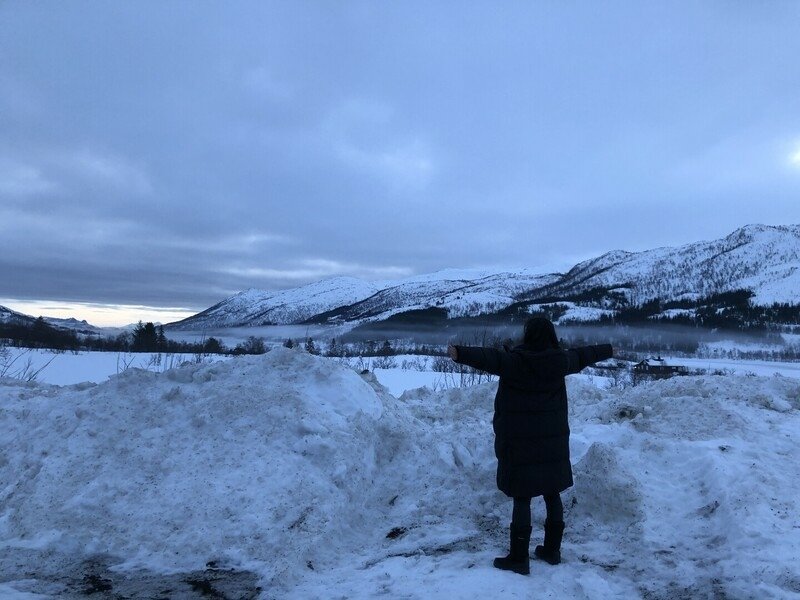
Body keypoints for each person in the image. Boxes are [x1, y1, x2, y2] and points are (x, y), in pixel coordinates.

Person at [448, 317, 612, 575]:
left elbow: (488, 358)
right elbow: (584, 355)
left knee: (522, 496)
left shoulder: (515, 361)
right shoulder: (561, 361)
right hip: (552, 441)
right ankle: (552, 550)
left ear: (528, 335)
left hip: (520, 439)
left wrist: (459, 354)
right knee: (552, 491)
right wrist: (609, 349)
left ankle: (518, 557)